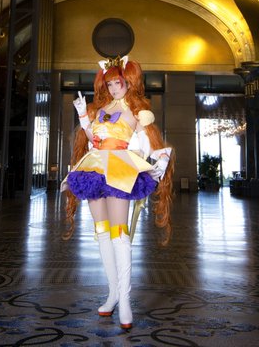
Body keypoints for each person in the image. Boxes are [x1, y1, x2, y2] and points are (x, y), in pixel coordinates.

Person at [61, 55, 174, 330]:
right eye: (109, 84)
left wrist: (159, 161)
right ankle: (112, 294)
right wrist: (82, 115)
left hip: (120, 169)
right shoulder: (100, 109)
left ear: (128, 82)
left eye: (117, 83)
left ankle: (125, 300)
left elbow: (148, 143)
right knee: (102, 233)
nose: (113, 89)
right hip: (94, 166)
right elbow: (93, 138)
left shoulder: (137, 112)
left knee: (119, 235)